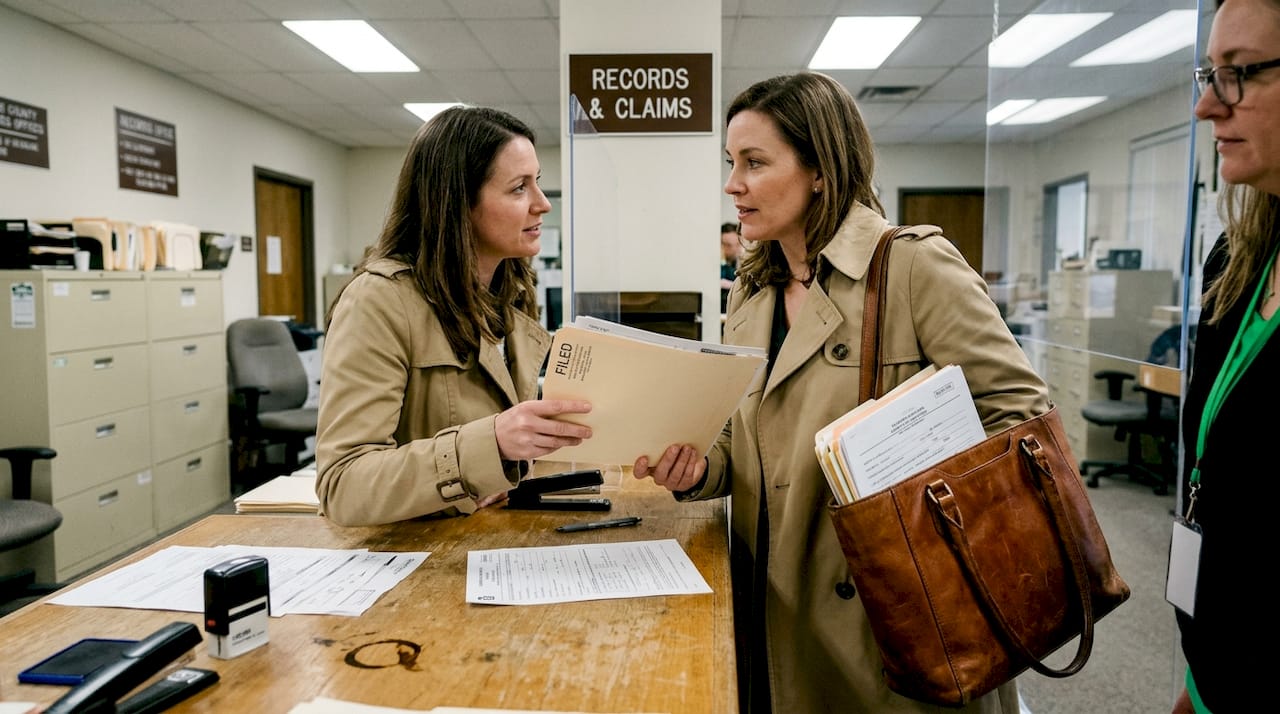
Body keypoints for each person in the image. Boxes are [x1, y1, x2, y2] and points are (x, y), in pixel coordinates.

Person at [634, 72, 1049, 713]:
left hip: (894, 609)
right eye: (730, 163)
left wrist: (906, 464)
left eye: (754, 162)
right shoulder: (753, 288)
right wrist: (697, 469)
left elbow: (1022, 416)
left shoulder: (910, 265)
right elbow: (744, 440)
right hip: (775, 598)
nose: (732, 184)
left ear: (820, 169)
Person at [316, 106, 592, 527]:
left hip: (481, 539)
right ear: (457, 202)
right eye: (519, 188)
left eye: (538, 183)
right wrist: (491, 444)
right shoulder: (378, 300)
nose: (542, 205)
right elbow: (343, 485)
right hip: (410, 557)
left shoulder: (510, 291)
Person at [1173, 1, 1280, 711]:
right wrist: (1196, 678)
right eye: (1209, 73)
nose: (1208, 105)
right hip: (1218, 667)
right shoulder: (1235, 263)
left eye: (1240, 74)